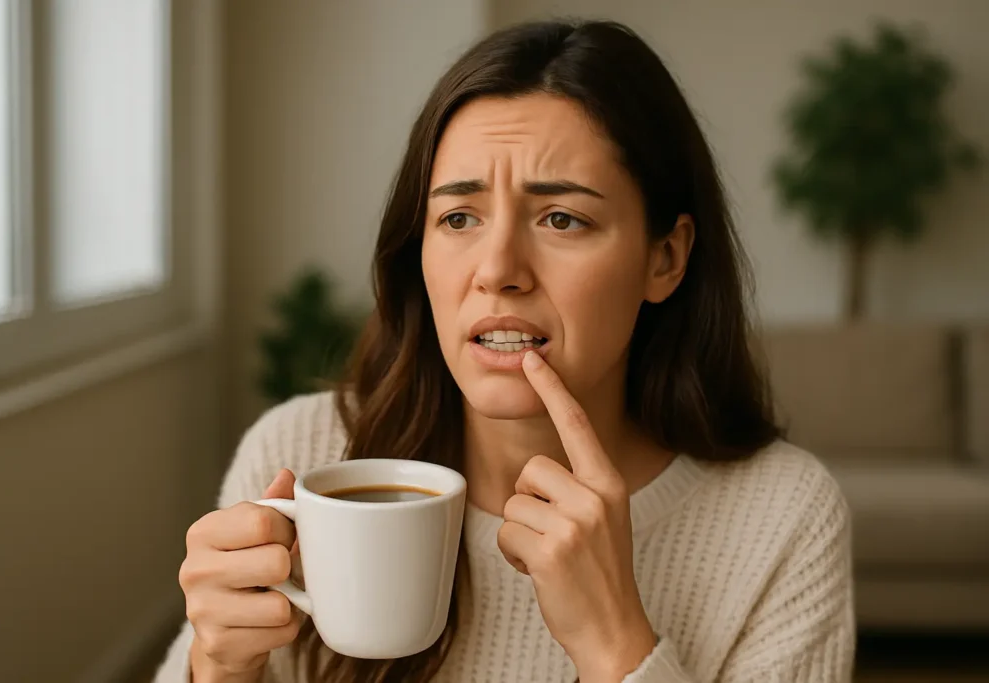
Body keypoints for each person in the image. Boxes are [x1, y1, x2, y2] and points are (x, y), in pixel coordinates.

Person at [155, 18, 854, 683]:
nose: (497, 271)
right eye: (459, 217)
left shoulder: (781, 518)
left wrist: (614, 642)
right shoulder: (300, 454)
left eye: (562, 219)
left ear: (664, 258)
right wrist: (220, 668)